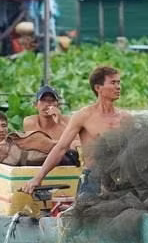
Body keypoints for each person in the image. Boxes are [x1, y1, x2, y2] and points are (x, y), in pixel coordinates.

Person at [21, 66, 131, 197]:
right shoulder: (83, 116)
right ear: (98, 88)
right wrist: (38, 178)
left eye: (119, 82)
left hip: (120, 178)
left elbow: (133, 152)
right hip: (93, 180)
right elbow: (61, 148)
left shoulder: (126, 117)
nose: (118, 87)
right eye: (113, 83)